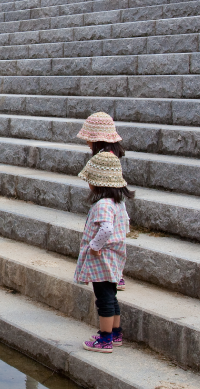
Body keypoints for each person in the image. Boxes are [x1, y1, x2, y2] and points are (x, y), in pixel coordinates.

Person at [74, 152, 134, 354]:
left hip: (103, 260)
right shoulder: (118, 203)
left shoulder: (102, 205)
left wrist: (94, 246)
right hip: (115, 257)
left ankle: (105, 338)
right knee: (111, 296)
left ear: (96, 183)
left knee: (104, 299)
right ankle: (116, 333)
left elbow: (106, 229)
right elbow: (123, 226)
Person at [77, 111, 127, 290]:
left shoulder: (105, 155)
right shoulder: (112, 151)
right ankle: (116, 275)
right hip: (116, 200)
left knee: (110, 238)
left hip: (111, 200)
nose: (87, 143)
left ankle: (116, 276)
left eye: (89, 139)